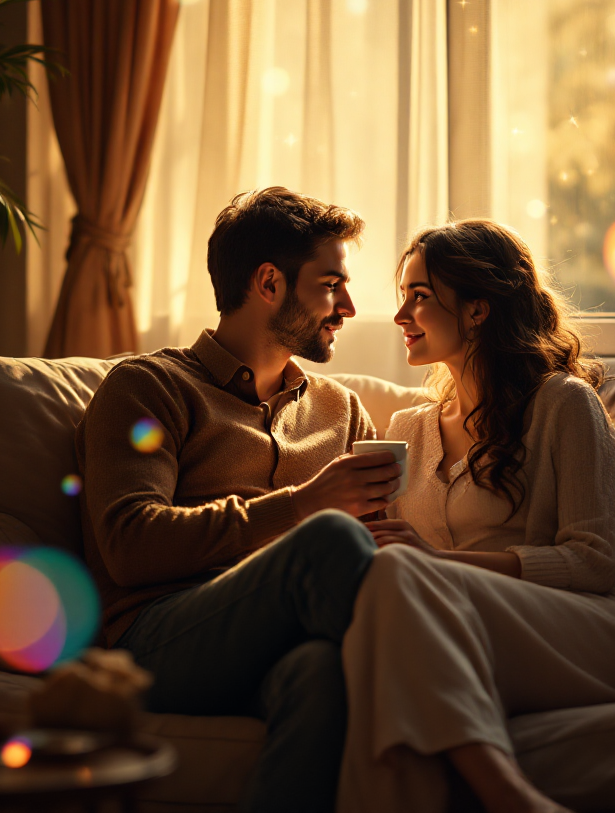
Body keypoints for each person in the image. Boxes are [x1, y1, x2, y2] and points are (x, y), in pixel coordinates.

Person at [76, 187, 402, 813]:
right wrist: (304, 507)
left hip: (284, 639)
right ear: (269, 283)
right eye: (331, 284)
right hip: (159, 637)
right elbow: (129, 546)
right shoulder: (149, 387)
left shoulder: (342, 410)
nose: (349, 307)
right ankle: (464, 712)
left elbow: (368, 549)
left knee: (320, 676)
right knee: (329, 537)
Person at [338, 220, 615, 813]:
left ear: (478, 309)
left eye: (420, 297)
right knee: (381, 614)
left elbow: (595, 560)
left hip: (590, 623)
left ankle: (509, 798)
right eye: (403, 296)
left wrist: (438, 565)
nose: (402, 315)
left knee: (402, 581)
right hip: (459, 626)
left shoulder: (562, 403)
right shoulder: (409, 430)